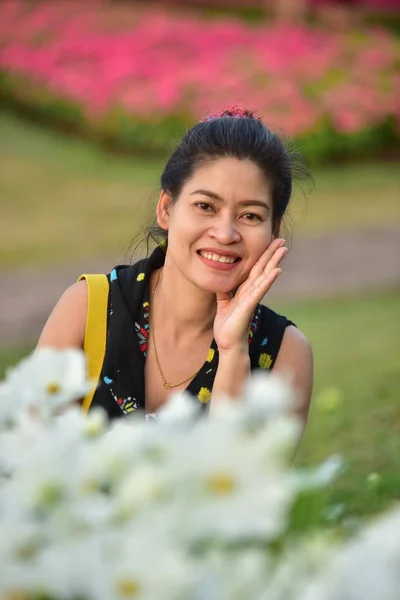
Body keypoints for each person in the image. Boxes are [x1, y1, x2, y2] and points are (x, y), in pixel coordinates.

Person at [37, 105, 313, 422]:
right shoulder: (87, 309)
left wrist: (233, 350)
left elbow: (237, 471)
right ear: (167, 208)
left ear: (273, 230)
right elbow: (38, 459)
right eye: (205, 206)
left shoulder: (285, 354)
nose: (225, 234)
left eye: (250, 215)